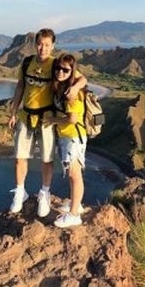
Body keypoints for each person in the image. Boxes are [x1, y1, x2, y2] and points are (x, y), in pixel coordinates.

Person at [7, 29, 86, 217]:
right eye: (40, 44)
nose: (43, 48)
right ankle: (20, 192)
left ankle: (45, 193)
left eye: (47, 45)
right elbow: (20, 86)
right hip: (26, 117)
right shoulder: (27, 63)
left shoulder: (56, 65)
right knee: (20, 157)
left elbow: (82, 78)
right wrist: (12, 112)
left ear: (53, 46)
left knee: (47, 159)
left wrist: (74, 88)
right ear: (35, 44)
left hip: (47, 120)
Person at [45, 52, 87, 228]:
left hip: (72, 136)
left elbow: (72, 119)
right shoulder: (63, 86)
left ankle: (74, 215)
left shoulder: (72, 93)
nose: (60, 72)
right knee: (73, 173)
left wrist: (53, 120)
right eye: (58, 68)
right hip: (67, 136)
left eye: (65, 70)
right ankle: (74, 204)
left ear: (72, 72)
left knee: (74, 174)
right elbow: (82, 78)